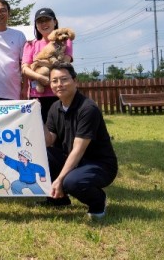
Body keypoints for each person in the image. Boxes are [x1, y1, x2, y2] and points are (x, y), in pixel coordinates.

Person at [43, 62, 118, 219]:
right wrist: (37, 117)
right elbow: (49, 141)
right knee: (43, 156)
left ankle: (98, 202)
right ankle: (58, 199)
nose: (59, 84)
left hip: (97, 163)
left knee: (71, 182)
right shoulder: (54, 107)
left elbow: (78, 150)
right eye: (54, 81)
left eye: (64, 79)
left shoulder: (87, 109)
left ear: (75, 81)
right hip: (72, 159)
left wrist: (60, 179)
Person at [22, 8, 73, 123]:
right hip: (37, 96)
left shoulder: (66, 41)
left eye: (47, 20)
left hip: (60, 93)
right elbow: (25, 68)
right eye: (40, 21)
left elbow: (65, 62)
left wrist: (42, 64)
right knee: (40, 131)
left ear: (55, 22)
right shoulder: (30, 44)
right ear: (36, 25)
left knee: (62, 130)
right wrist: (40, 77)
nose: (44, 24)